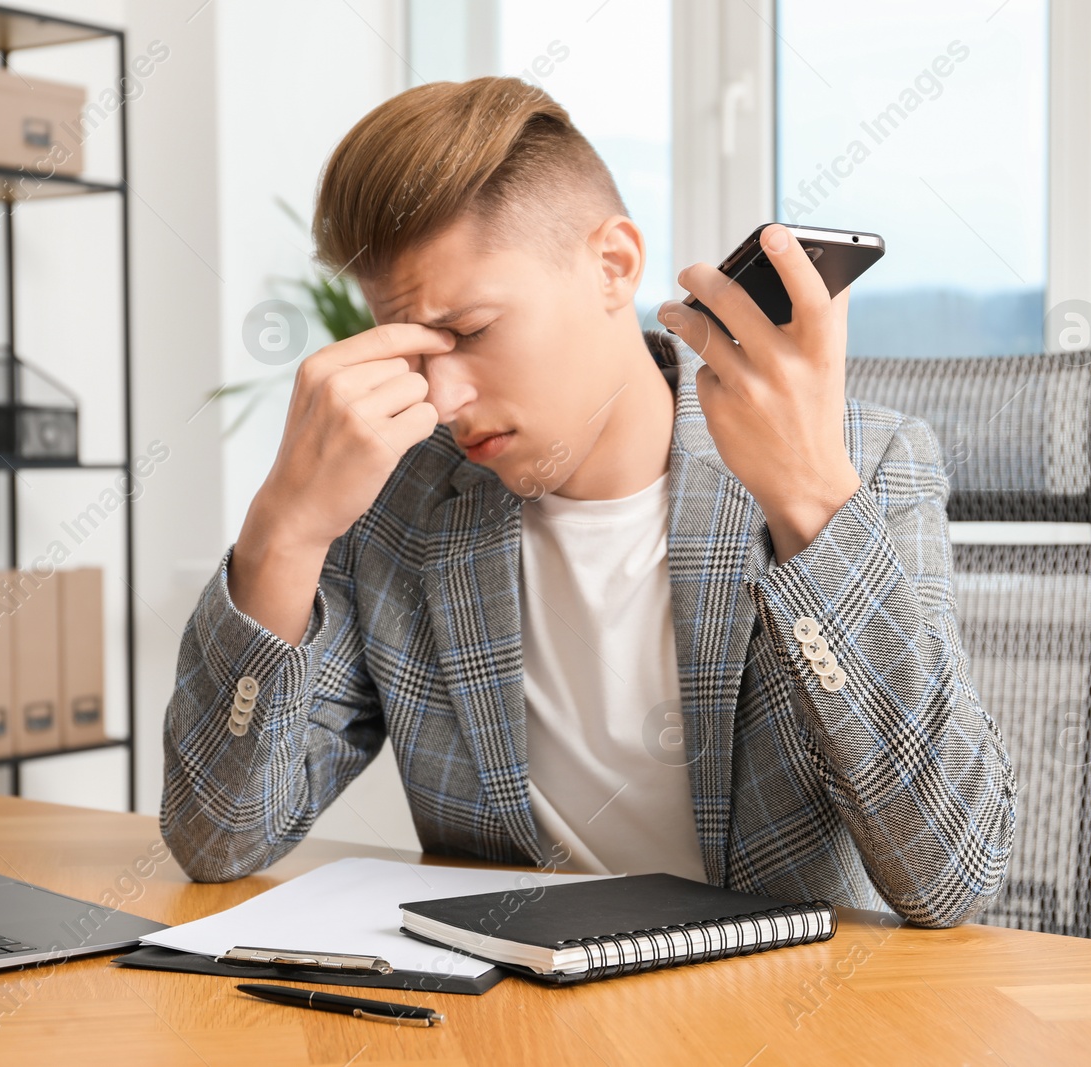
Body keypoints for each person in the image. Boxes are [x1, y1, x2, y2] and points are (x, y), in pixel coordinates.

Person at [161, 76, 1015, 928]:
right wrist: (284, 529)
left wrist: (810, 501)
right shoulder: (399, 497)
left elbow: (951, 876)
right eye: (417, 349)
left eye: (470, 332)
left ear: (613, 266)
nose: (444, 395)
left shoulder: (865, 466)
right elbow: (219, 838)